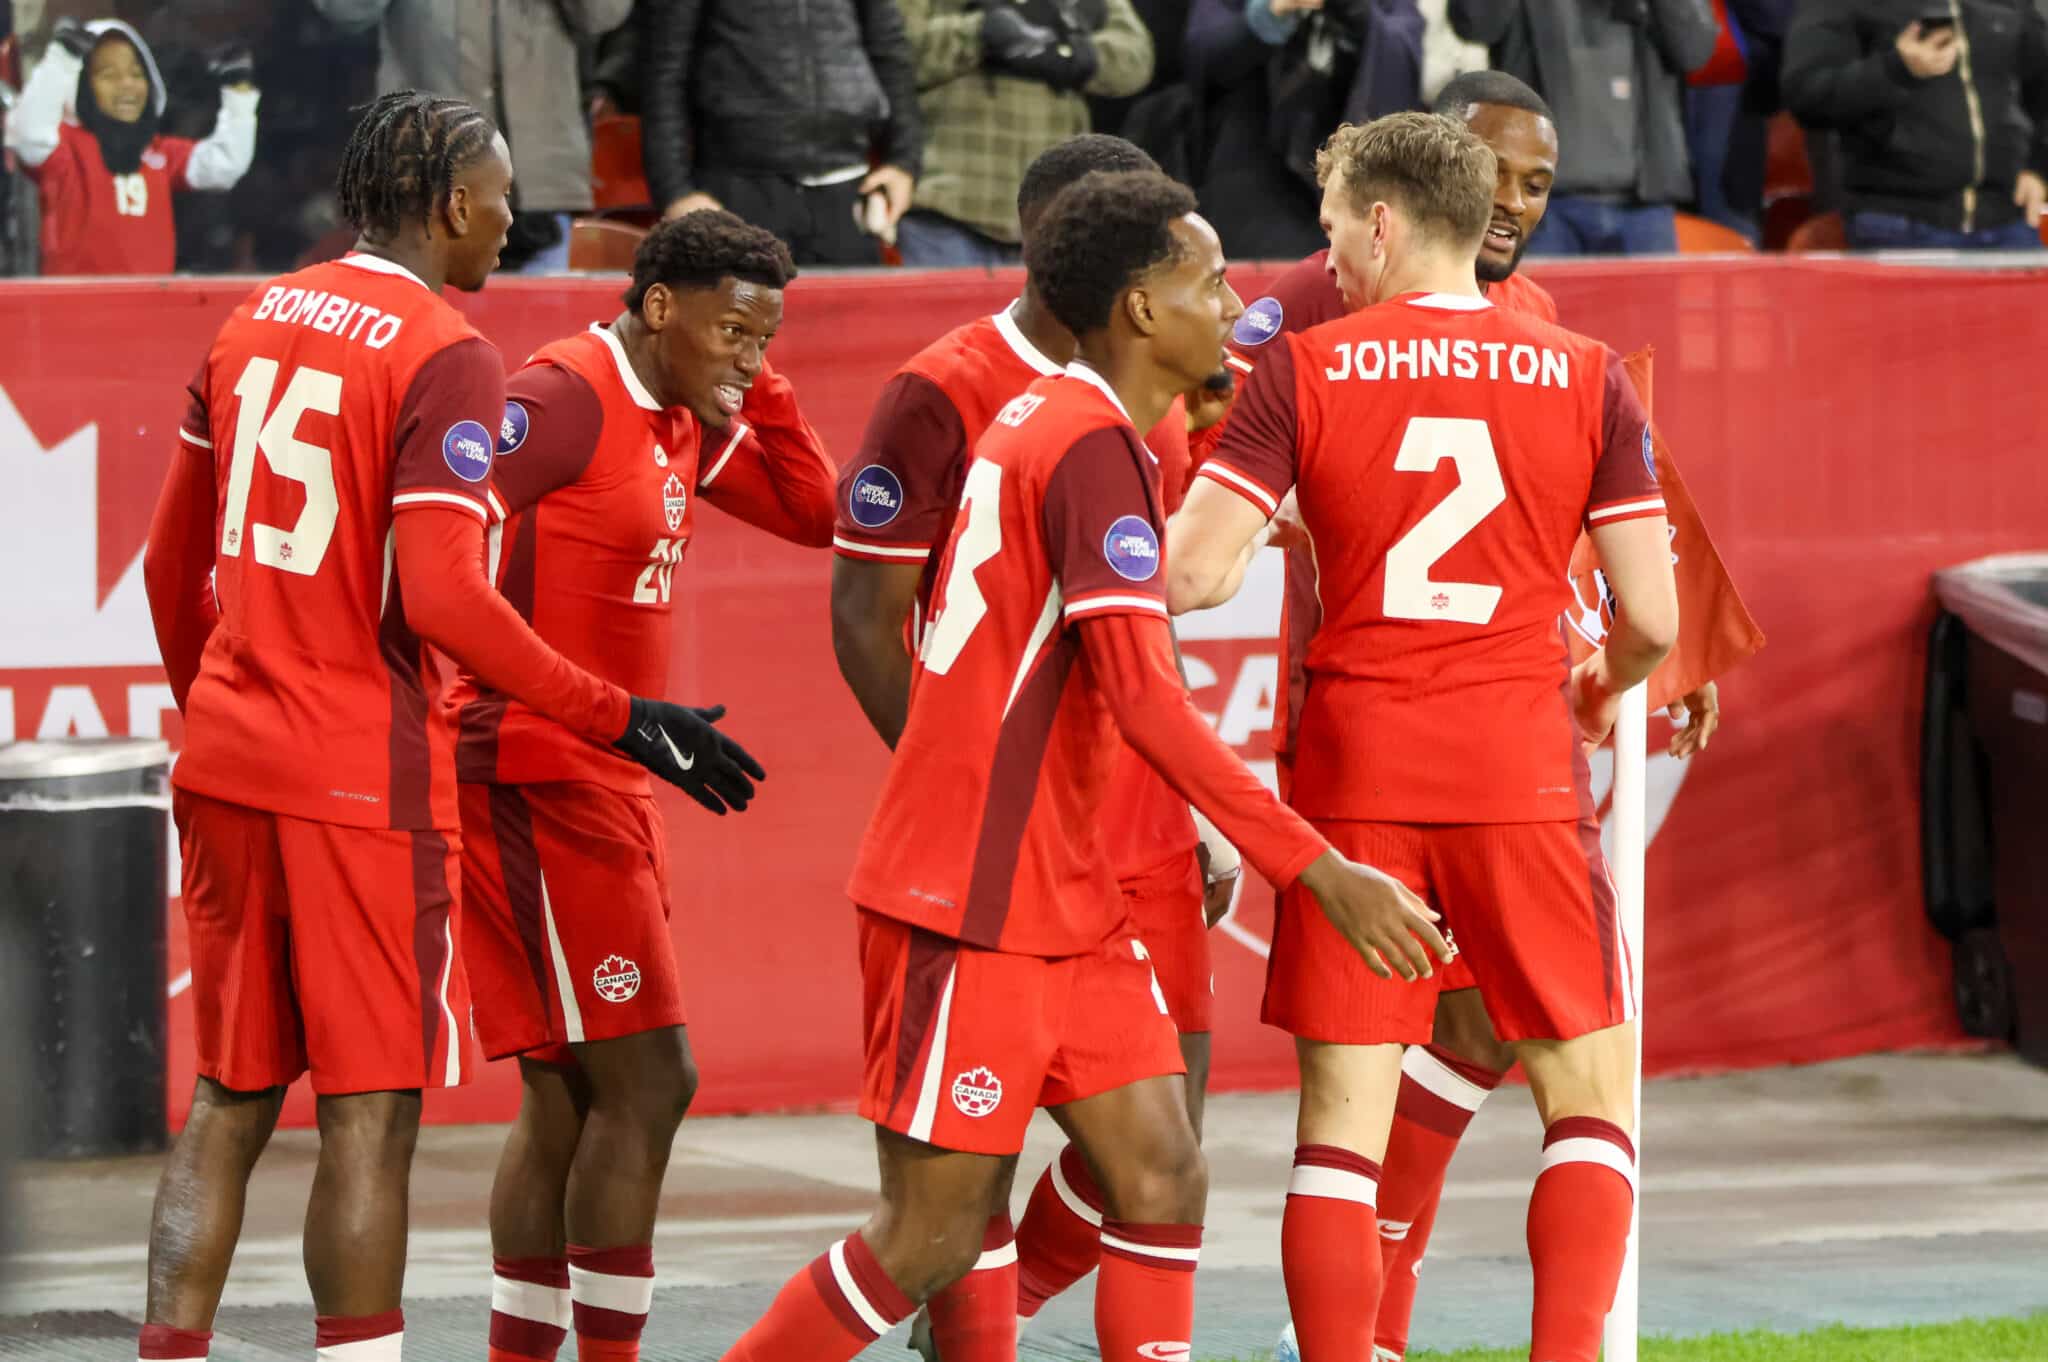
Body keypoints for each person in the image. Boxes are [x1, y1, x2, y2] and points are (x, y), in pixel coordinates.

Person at [720, 168, 1447, 1362]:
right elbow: (1146, 699)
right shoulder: (1083, 444)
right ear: (1142, 310)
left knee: (1159, 1173)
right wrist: (1314, 870)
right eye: (1208, 280)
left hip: (1066, 897)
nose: (1233, 304)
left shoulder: (1075, 419)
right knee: (929, 1237)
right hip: (972, 901)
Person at [134, 91, 761, 1362]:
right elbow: (443, 599)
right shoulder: (446, 347)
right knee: (369, 1116)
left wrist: (229, 700)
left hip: (226, 756)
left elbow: (165, 564)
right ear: (448, 204)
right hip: (360, 779)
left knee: (227, 1100)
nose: (514, 220)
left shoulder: (250, 317)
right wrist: (624, 717)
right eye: (503, 195)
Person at [1167, 110, 1678, 1362]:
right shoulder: (1584, 369)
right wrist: (1606, 682)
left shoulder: (1306, 365)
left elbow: (1186, 576)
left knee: (1339, 1126)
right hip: (1514, 766)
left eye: (1337, 225)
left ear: (1384, 221)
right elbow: (1652, 618)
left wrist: (1297, 528)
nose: (1329, 253)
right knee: (1588, 1107)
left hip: (1354, 775)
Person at [829, 133, 1235, 1359]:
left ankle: (1008, 1316)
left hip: (1138, 819)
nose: (1227, 305)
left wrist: (1202, 817)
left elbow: (1142, 651)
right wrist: (974, 787)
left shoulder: (1143, 402)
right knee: (953, 1205)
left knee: (1162, 1152)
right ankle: (970, 1339)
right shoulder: (946, 389)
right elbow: (866, 617)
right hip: (1001, 849)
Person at [451, 211, 834, 1362]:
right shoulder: (562, 395)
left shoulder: (679, 407)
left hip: (604, 770)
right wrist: (566, 711)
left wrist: (751, 384)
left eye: (760, 338)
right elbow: (434, 548)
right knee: (653, 1081)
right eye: (728, 331)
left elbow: (818, 513)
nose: (744, 356)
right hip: (532, 769)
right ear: (656, 305)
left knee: (569, 1091)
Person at [309, 0, 634, 273]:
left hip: (537, 186)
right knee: (429, 342)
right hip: (426, 181)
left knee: (535, 336)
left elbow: (603, 13)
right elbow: (343, 9)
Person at [638, 0, 921, 265]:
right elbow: (663, 68)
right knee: (743, 316)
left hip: (846, 190)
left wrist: (904, 161)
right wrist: (675, 193)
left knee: (851, 318)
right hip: (737, 186)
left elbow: (889, 50)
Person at [893, 0, 1156, 266]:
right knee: (943, 309)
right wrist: (981, 32)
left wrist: (1070, 55)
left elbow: (1136, 59)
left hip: (1054, 219)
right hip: (949, 206)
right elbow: (893, 52)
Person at [1450, 0, 1718, 255]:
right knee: (1536, 303)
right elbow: (1475, 23)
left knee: (1649, 305)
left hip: (1643, 205)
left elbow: (1694, 49)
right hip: (1542, 202)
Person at [1781, 0, 2048, 251]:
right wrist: (1897, 70)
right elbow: (1807, 95)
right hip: (1897, 223)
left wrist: (2039, 166)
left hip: (2009, 222)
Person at [3, 18, 257, 274]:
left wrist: (237, 88)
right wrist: (62, 58)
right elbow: (28, 134)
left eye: (137, 74)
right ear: (80, 86)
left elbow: (226, 164)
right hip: (78, 309)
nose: (127, 84)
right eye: (108, 75)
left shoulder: (158, 152)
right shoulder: (66, 148)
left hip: (150, 308)